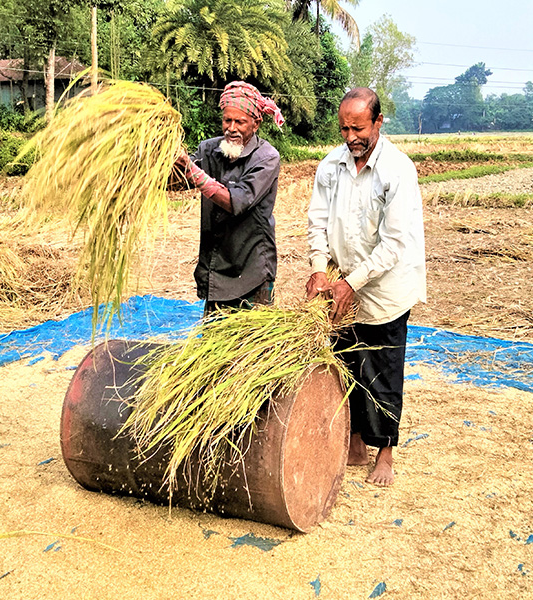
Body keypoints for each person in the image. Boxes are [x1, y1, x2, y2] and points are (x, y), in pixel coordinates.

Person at [305, 87, 426, 487]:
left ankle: (385, 453)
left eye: (358, 128)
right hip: (342, 282)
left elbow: (393, 243)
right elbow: (317, 222)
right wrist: (321, 270)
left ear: (377, 122)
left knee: (383, 368)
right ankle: (355, 442)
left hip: (385, 287)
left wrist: (351, 284)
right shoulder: (331, 166)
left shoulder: (398, 169)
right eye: (344, 129)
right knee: (346, 362)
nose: (351, 137)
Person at [176, 81, 284, 315]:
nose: (231, 128)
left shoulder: (266, 158)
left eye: (240, 122)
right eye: (227, 120)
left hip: (251, 271)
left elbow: (237, 202)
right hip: (216, 268)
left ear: (256, 124)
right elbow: (180, 180)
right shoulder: (209, 149)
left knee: (252, 347)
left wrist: (193, 172)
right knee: (213, 345)